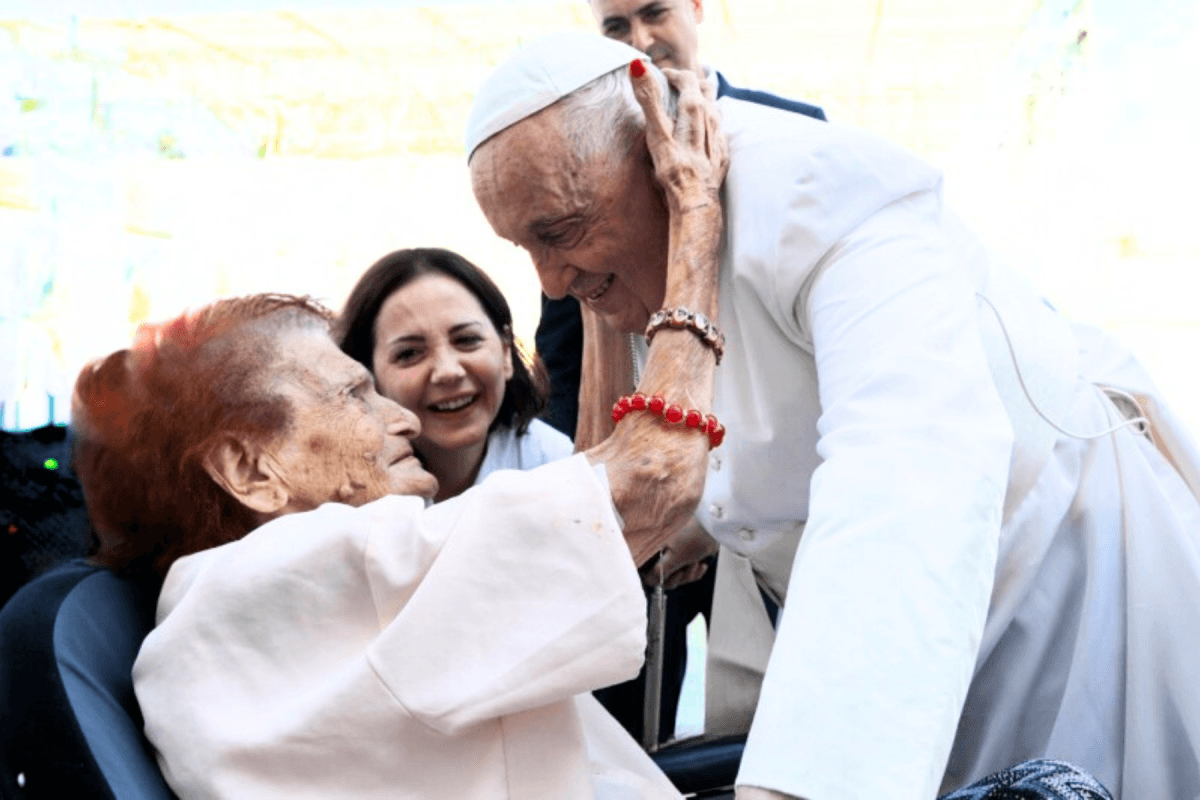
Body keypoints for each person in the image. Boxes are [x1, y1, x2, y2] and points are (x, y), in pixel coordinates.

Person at [465, 32, 1200, 800]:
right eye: (524, 247)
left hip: (1047, 589)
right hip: (881, 646)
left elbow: (908, 465)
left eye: (559, 230)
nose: (547, 277)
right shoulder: (641, 240)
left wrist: (805, 787)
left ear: (652, 147)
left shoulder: (813, 189)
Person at [70, 62, 726, 799]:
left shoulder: (239, 609)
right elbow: (652, 477)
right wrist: (695, 220)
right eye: (357, 394)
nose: (402, 415)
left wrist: (590, 281)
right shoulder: (295, 572)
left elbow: (598, 484)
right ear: (252, 472)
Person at [335, 247, 573, 502]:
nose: (448, 372)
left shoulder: (555, 466)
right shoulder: (341, 494)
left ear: (505, 352)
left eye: (467, 339)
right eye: (409, 354)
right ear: (367, 379)